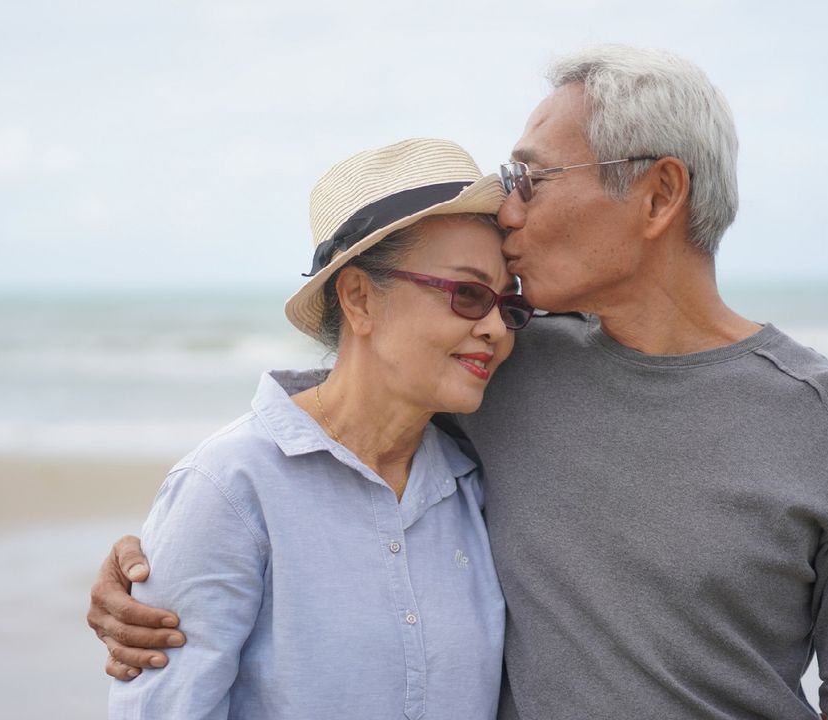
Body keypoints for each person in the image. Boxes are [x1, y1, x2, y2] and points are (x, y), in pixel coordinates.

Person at [90, 46, 828, 719]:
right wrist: (164, 565)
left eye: (530, 178)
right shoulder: (499, 373)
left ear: (658, 195)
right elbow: (342, 414)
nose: (509, 211)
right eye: (470, 296)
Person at [104, 137, 535, 718]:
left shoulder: (473, 488)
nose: (497, 330)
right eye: (466, 294)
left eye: (508, 306)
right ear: (358, 298)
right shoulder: (229, 487)